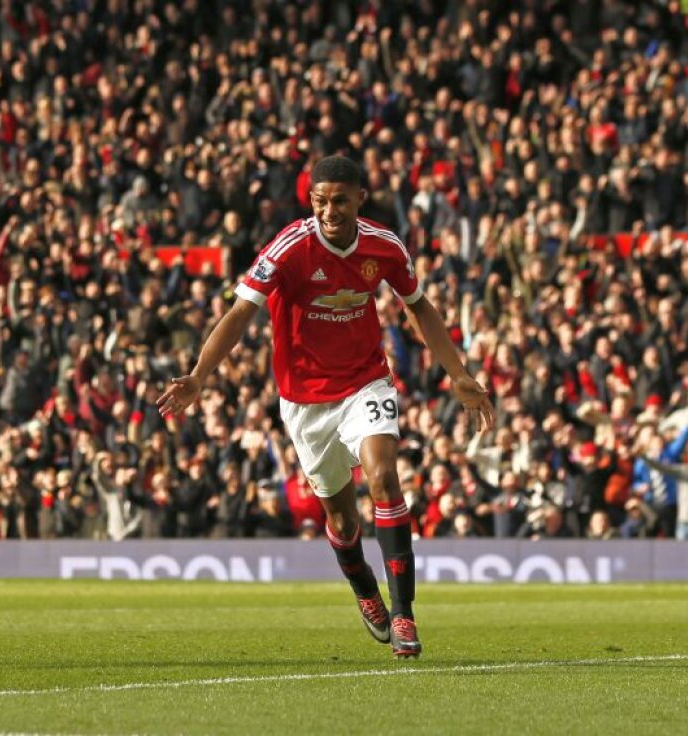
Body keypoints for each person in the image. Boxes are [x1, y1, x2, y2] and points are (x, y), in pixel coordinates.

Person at [158, 155, 494, 659]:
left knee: (383, 477)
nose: (329, 210)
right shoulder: (289, 247)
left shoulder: (383, 246)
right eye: (320, 201)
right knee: (340, 520)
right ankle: (365, 590)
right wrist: (200, 375)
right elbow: (240, 313)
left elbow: (418, 306)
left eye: (340, 200)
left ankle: (404, 614)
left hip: (366, 382)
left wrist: (459, 374)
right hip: (305, 400)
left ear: (360, 198)